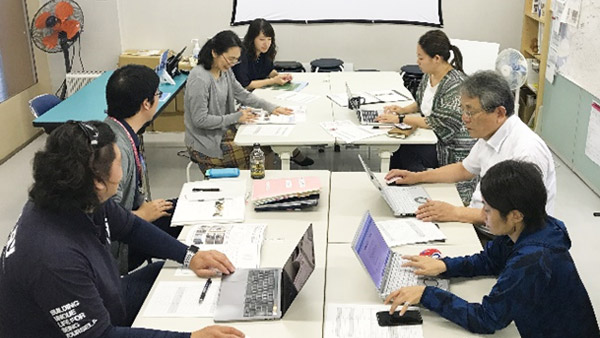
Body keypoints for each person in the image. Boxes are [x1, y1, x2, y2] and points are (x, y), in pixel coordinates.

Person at [0, 121, 244, 338]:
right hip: (82, 328)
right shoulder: (52, 258)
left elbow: (131, 227)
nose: (121, 173)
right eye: (119, 164)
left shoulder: (76, 193)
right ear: (98, 181)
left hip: (102, 297)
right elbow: (102, 335)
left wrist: (190, 255)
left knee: (167, 270)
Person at [384, 160, 599, 337]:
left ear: (515, 215)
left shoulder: (533, 260)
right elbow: (488, 261)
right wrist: (444, 266)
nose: (482, 216)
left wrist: (426, 294)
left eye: (488, 210)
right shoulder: (529, 227)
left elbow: (487, 319)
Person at [385, 70, 556, 226]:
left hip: (503, 238)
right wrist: (417, 177)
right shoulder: (491, 133)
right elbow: (463, 169)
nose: (464, 119)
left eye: (470, 112)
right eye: (463, 110)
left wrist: (456, 212)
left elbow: (515, 216)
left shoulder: (526, 152)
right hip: (480, 220)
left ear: (499, 113)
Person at [375, 30, 476, 203]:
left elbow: (436, 122)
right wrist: (402, 110)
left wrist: (399, 119)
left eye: (421, 58)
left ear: (436, 58)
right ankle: (397, 190)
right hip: (434, 137)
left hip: (450, 147)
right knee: (399, 150)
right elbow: (422, 102)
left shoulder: (456, 85)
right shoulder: (430, 76)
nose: (417, 62)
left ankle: (417, 193)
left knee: (409, 152)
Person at [105, 64, 181, 272]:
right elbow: (105, 220)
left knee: (184, 208)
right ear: (146, 103)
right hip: (119, 247)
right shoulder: (115, 149)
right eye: (158, 94)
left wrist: (143, 206)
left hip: (132, 218)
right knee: (185, 225)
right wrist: (142, 215)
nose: (159, 98)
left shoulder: (116, 129)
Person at [185, 30, 291, 172]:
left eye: (236, 60)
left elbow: (242, 94)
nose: (232, 63)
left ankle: (260, 187)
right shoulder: (199, 79)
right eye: (230, 59)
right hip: (204, 142)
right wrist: (236, 117)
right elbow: (200, 120)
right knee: (258, 155)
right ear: (214, 53)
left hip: (222, 132)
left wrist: (271, 107)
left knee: (265, 147)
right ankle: (250, 187)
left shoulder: (225, 71)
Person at [233, 18, 313, 167]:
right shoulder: (242, 54)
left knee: (284, 110)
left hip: (258, 94)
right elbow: (246, 85)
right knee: (273, 114)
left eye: (269, 39)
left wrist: (278, 76)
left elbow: (267, 70)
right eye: (262, 39)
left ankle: (292, 151)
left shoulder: (264, 52)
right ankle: (291, 153)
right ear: (252, 39)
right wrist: (273, 81)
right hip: (244, 99)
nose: (266, 43)